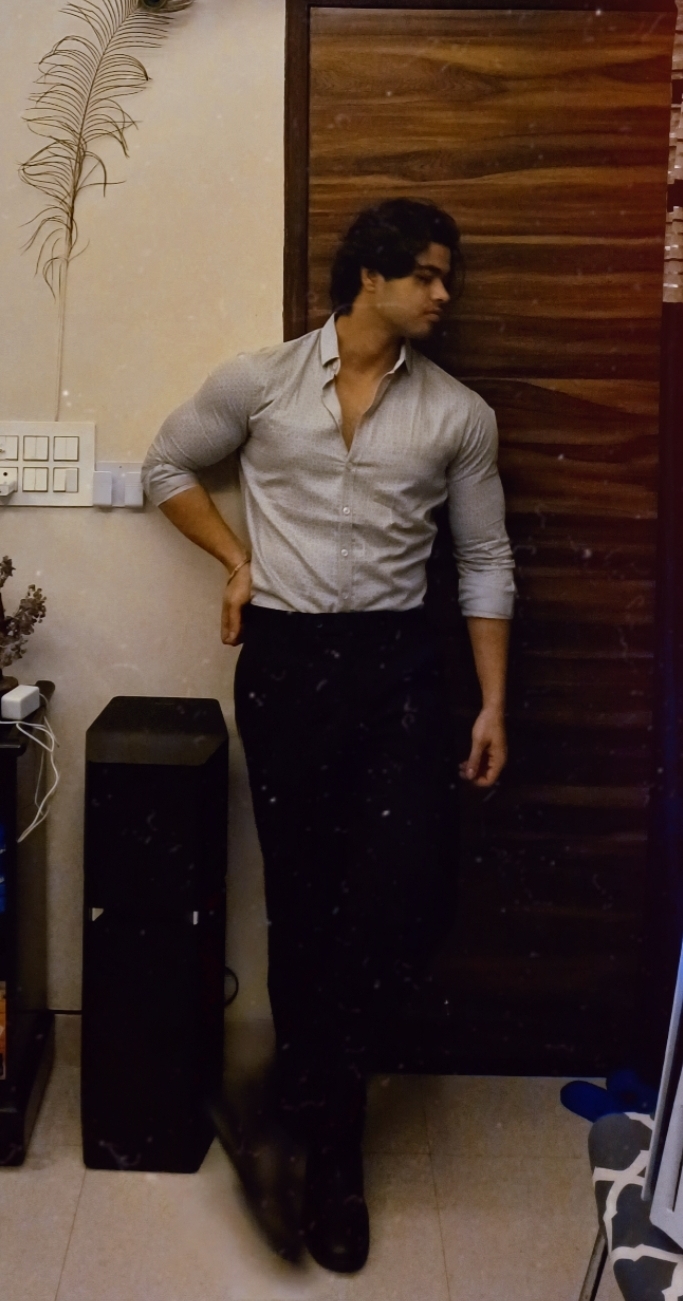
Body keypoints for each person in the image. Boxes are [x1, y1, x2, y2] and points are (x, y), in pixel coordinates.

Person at [141, 198, 515, 1274]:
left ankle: (282, 1098)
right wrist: (237, 560)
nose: (444, 294)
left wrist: (490, 701)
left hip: (398, 668)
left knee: (409, 895)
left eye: (447, 276)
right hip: (288, 661)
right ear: (369, 277)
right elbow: (167, 466)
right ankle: (329, 1152)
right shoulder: (258, 382)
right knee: (304, 903)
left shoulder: (457, 415)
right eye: (428, 274)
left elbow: (483, 559)